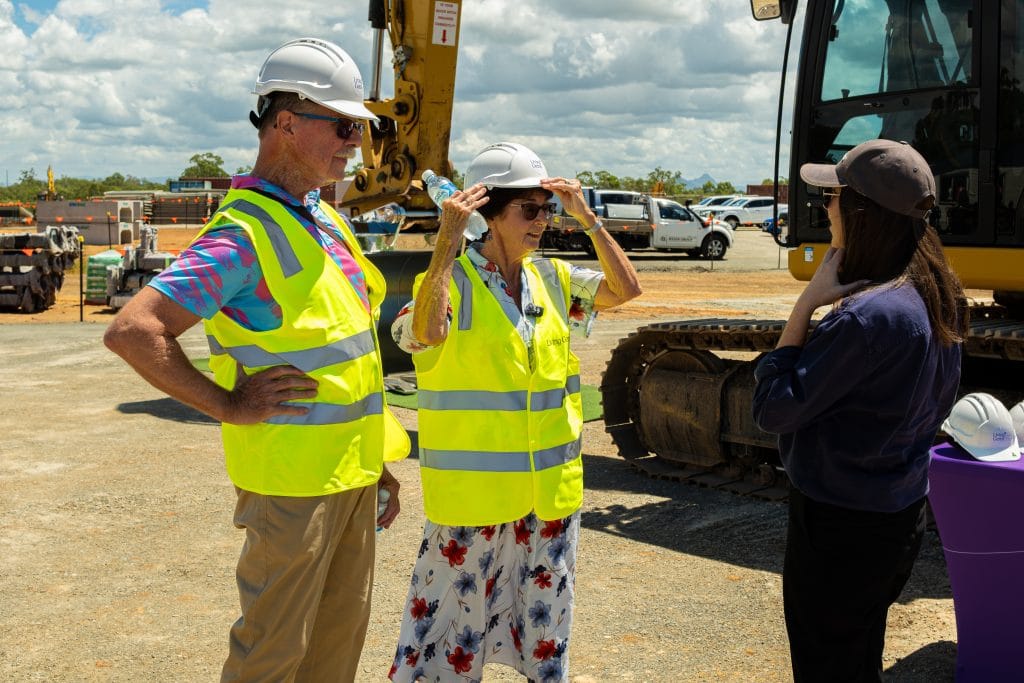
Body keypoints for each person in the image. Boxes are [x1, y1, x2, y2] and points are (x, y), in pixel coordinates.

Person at [103, 37, 410, 682]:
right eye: (345, 125)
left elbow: (346, 355)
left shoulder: (321, 220)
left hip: (346, 474)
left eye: (361, 128)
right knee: (271, 655)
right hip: (289, 484)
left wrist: (372, 462)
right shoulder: (243, 235)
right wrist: (227, 404)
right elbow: (136, 329)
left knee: (336, 644)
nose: (356, 142)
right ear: (287, 124)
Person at [386, 142, 642, 682]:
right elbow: (426, 333)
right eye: (530, 209)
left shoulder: (552, 281)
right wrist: (445, 245)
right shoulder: (447, 281)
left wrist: (588, 219)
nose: (544, 220)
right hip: (473, 503)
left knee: (545, 643)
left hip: (547, 500)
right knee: (444, 649)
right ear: (488, 215)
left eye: (546, 208)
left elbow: (626, 289)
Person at [752, 139, 967, 682]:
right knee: (857, 652)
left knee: (827, 662)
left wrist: (807, 304)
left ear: (860, 212)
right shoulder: (937, 293)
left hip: (838, 525)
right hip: (897, 515)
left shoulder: (867, 318)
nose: (825, 209)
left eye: (832, 197)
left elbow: (772, 410)